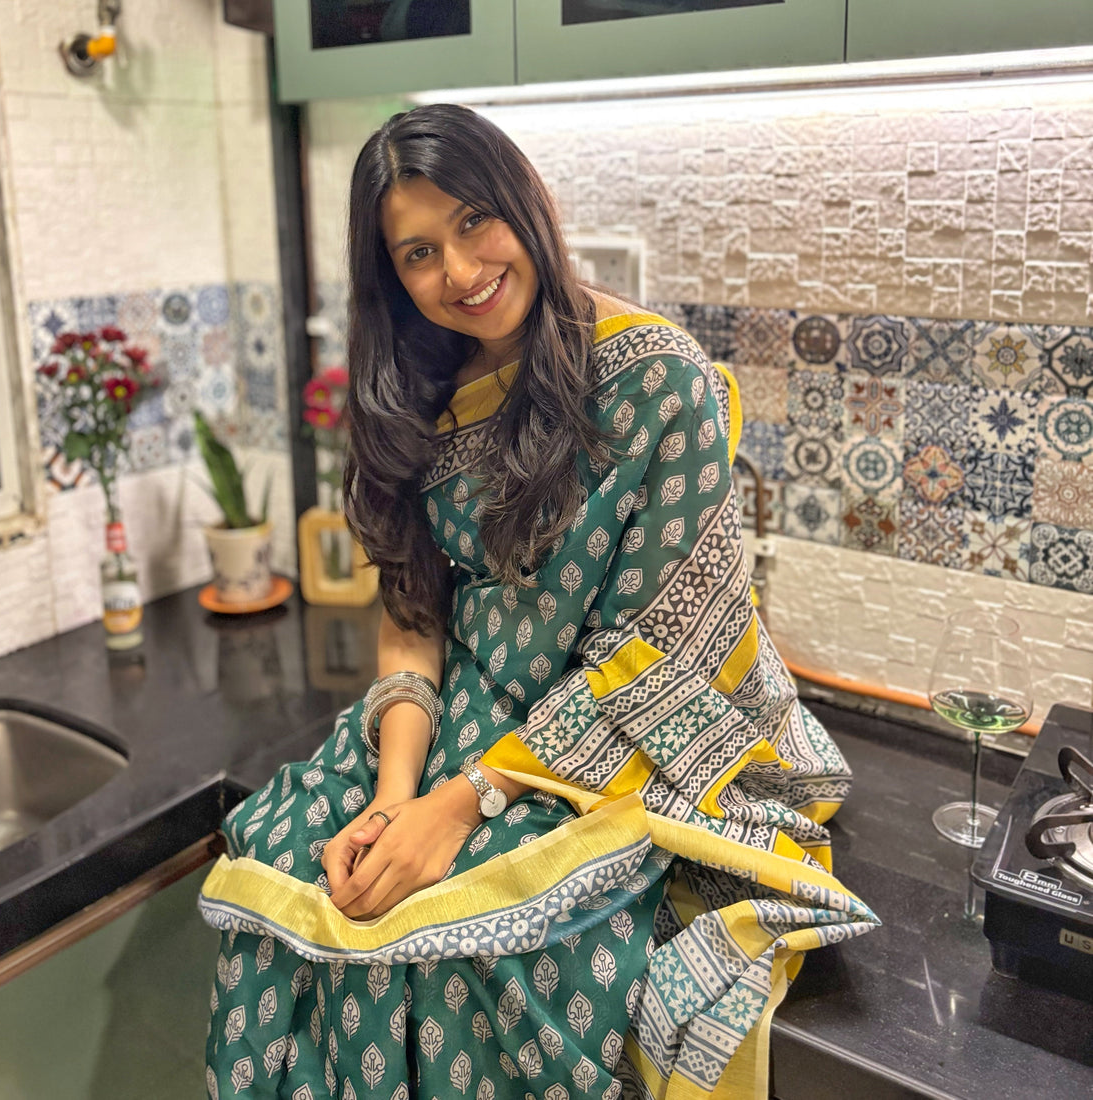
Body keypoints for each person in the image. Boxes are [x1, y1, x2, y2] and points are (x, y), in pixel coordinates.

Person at [199, 103, 878, 1100]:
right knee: (309, 878)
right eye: (419, 252)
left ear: (529, 201)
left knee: (482, 959)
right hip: (451, 714)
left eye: (476, 220)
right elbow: (413, 611)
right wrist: (396, 797)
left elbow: (660, 653)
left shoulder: (657, 381)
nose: (461, 271)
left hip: (623, 728)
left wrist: (466, 799)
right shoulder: (417, 385)